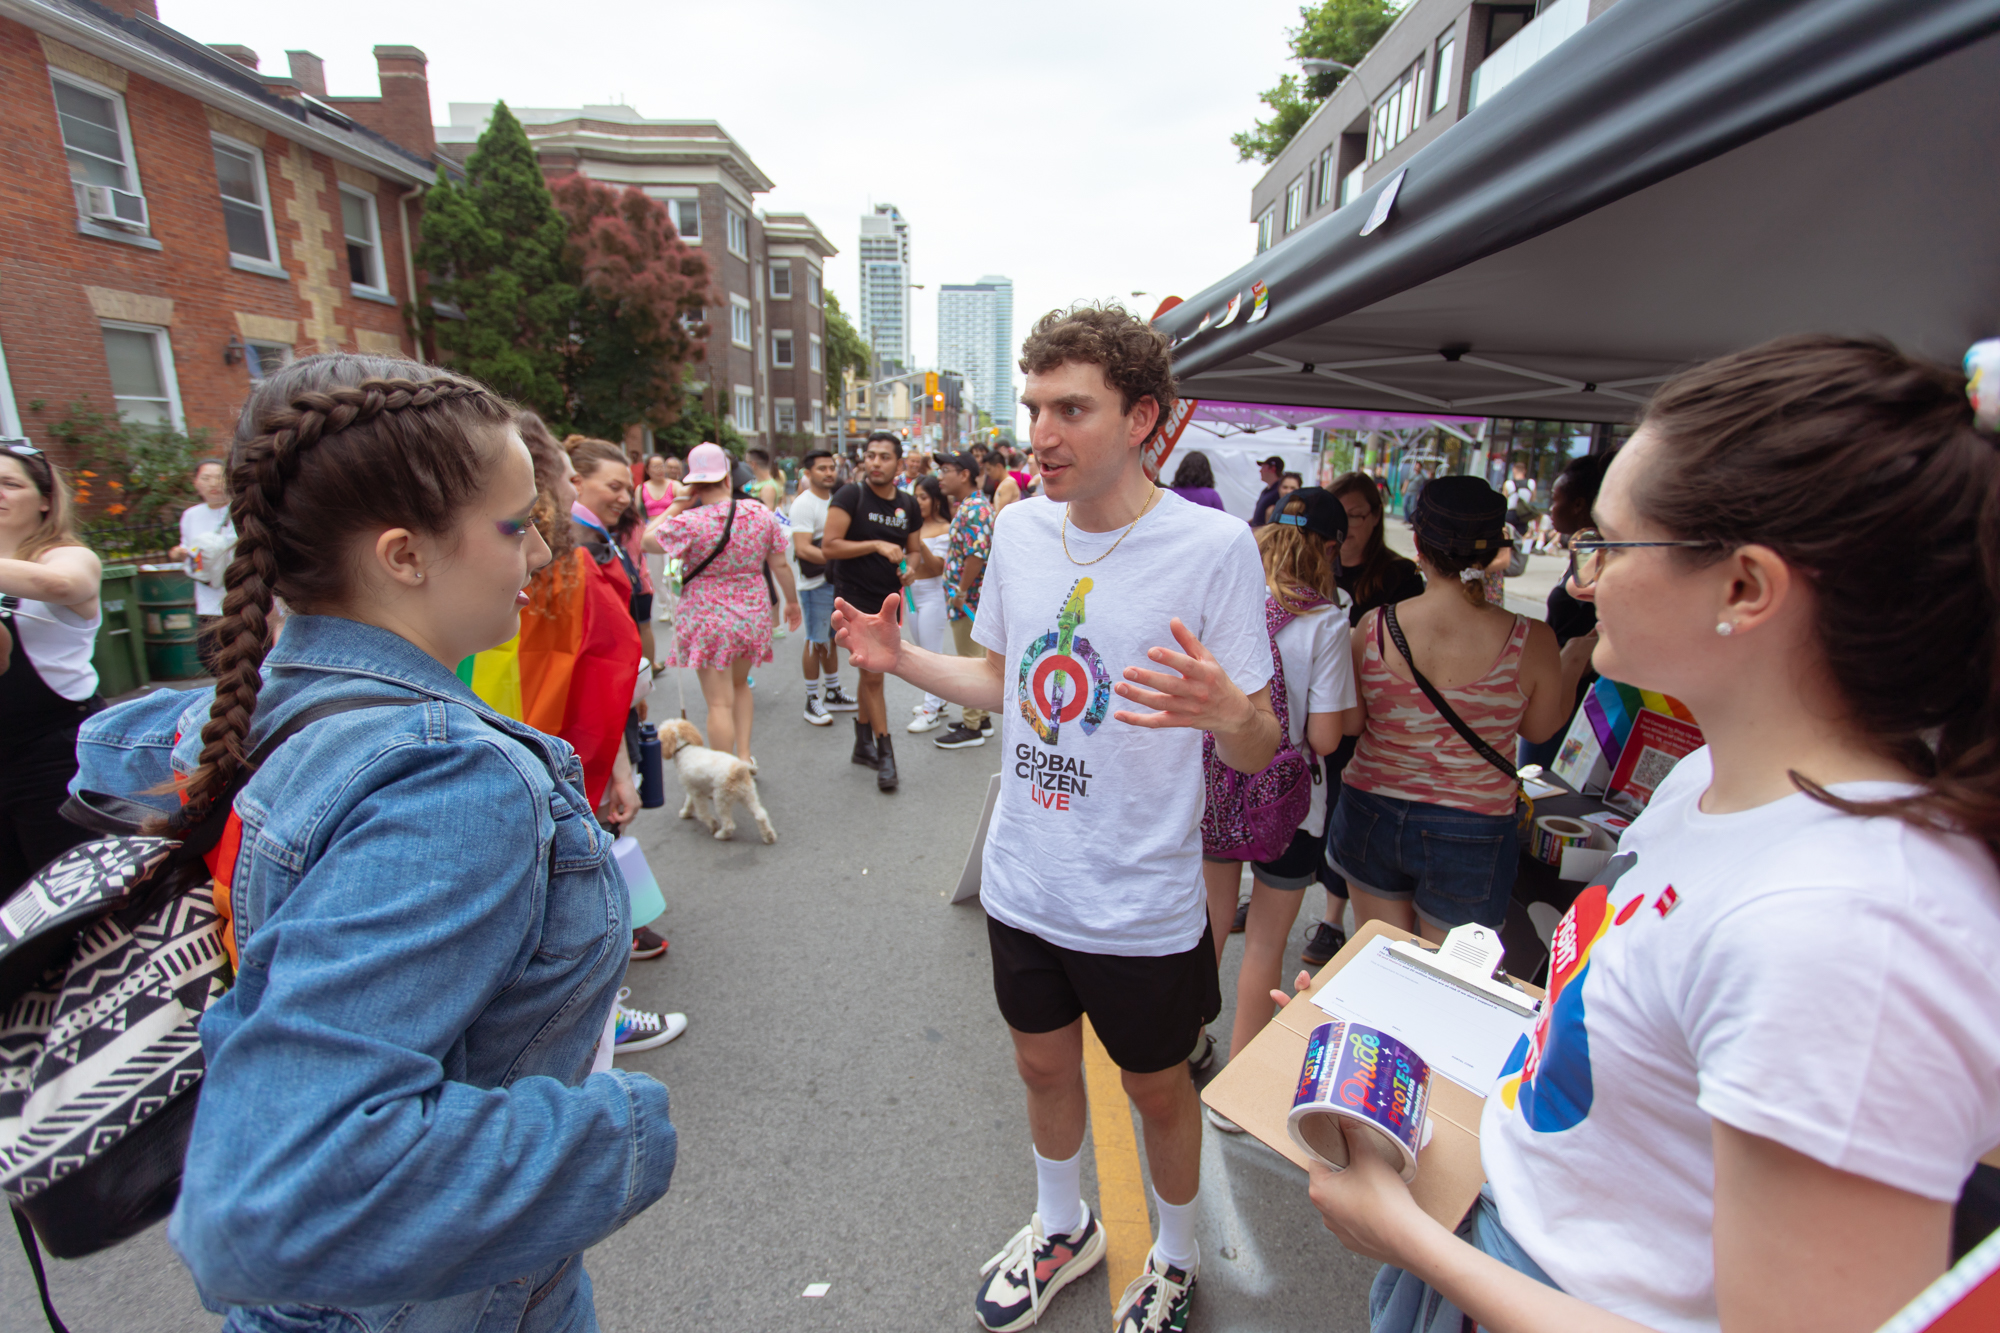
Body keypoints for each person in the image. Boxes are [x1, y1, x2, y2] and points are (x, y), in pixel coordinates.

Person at [1301, 335, 2000, 1333]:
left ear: (1744, 588)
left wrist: (1403, 1231)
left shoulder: (1854, 929)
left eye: (1606, 546)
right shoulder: (1716, 778)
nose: (1576, 580)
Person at [70, 354, 676, 1329]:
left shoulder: (241, 715)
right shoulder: (446, 777)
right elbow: (282, 1191)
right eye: (515, 526)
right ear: (404, 554)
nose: (535, 558)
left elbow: (106, 748)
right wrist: (624, 1127)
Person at [834, 305, 1279, 1333]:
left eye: (1070, 408)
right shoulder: (1024, 528)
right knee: (1038, 1062)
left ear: (1143, 418)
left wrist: (1230, 715)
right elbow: (1006, 679)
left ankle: (1171, 1254)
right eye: (1033, 405)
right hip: (1024, 876)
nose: (1041, 431)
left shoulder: (1211, 548)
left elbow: (1257, 746)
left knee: (1156, 1088)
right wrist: (899, 660)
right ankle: (1060, 1224)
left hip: (1139, 895)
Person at [1326, 477, 1568, 941]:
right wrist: (1573, 665)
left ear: (1418, 543)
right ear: (1497, 549)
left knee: (1379, 962)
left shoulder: (1374, 626)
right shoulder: (1532, 640)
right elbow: (1538, 729)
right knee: (1448, 983)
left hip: (1371, 811)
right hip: (1473, 827)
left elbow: (1353, 724)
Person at [1199, 488, 1358, 1134]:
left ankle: (1182, 1043)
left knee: (1205, 925)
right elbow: (1323, 738)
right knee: (1264, 943)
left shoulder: (1230, 604)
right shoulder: (1326, 621)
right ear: (1329, 549)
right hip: (1290, 806)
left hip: (1217, 787)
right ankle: (1235, 1089)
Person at [1298, 471, 1427, 966]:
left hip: (1365, 714)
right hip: (1314, 709)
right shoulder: (1310, 565)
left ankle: (1332, 917)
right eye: (1341, 516)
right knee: (1305, 806)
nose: (1348, 527)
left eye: (1359, 515)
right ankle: (1280, 887)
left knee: (1340, 814)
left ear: (1377, 518)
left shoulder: (1397, 576)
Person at [645, 442, 800, 767]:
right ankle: (743, 758)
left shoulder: (688, 521)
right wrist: (791, 603)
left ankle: (723, 769)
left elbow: (646, 539)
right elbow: (780, 565)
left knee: (718, 703)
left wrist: (676, 505)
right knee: (740, 685)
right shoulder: (759, 513)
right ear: (728, 478)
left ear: (694, 483)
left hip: (705, 615)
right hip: (752, 612)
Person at [0, 438, 103, 897]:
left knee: (64, 897)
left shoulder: (67, 555)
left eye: (8, 483)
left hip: (55, 753)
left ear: (45, 500)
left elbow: (61, 584)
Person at [823, 431, 925, 791]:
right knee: (872, 676)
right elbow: (829, 546)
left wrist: (910, 568)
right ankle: (885, 753)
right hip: (852, 600)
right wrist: (876, 544)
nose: (875, 463)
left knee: (868, 673)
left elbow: (913, 550)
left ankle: (861, 743)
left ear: (899, 464)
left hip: (888, 601)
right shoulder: (851, 495)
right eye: (870, 456)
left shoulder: (908, 504)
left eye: (884, 457)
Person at [1518, 450, 1615, 768]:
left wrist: (1576, 655)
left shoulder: (1598, 555)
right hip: (1561, 685)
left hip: (1578, 697)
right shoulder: (1583, 552)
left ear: (1579, 504)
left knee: (1549, 776)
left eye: (1556, 498)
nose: (1550, 506)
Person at [789, 448, 857, 725]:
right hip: (815, 583)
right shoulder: (804, 504)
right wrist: (837, 561)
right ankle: (811, 699)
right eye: (822, 468)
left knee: (829, 639)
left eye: (832, 467)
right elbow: (803, 549)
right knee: (815, 640)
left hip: (832, 582)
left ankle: (832, 692)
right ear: (807, 473)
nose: (829, 472)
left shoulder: (834, 500)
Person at [933, 451, 993, 749]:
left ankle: (972, 727)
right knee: (975, 657)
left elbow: (976, 555)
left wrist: (961, 592)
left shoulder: (974, 510)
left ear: (964, 474)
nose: (940, 476)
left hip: (967, 599)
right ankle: (979, 717)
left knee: (970, 661)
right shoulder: (971, 506)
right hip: (968, 597)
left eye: (945, 470)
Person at [169, 456, 234, 669]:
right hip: (208, 595)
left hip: (238, 592)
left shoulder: (240, 510)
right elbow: (190, 551)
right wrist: (180, 554)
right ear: (196, 482)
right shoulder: (191, 515)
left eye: (219, 477)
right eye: (206, 478)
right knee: (209, 654)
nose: (213, 484)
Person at [902, 474, 953, 735]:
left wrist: (917, 541)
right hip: (909, 594)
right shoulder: (909, 525)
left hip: (933, 595)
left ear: (935, 501)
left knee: (930, 655)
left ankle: (930, 710)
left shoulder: (945, 527)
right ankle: (938, 699)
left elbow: (936, 568)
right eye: (916, 496)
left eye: (923, 497)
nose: (918, 502)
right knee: (922, 650)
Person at [1250, 454, 1286, 526]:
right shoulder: (1267, 490)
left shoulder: (1280, 491)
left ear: (1272, 468)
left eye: (1263, 467)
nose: (1260, 471)